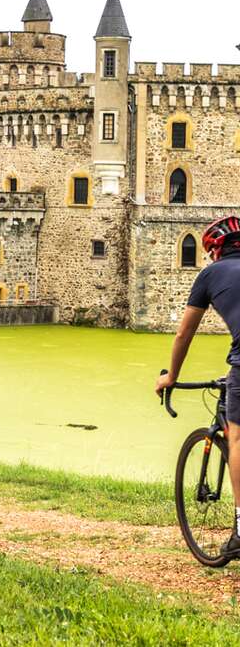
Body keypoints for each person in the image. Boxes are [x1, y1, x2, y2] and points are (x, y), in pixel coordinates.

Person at [155, 216, 240, 557]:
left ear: (214, 252)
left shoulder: (210, 275)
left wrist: (171, 376)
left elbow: (184, 334)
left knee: (236, 436)